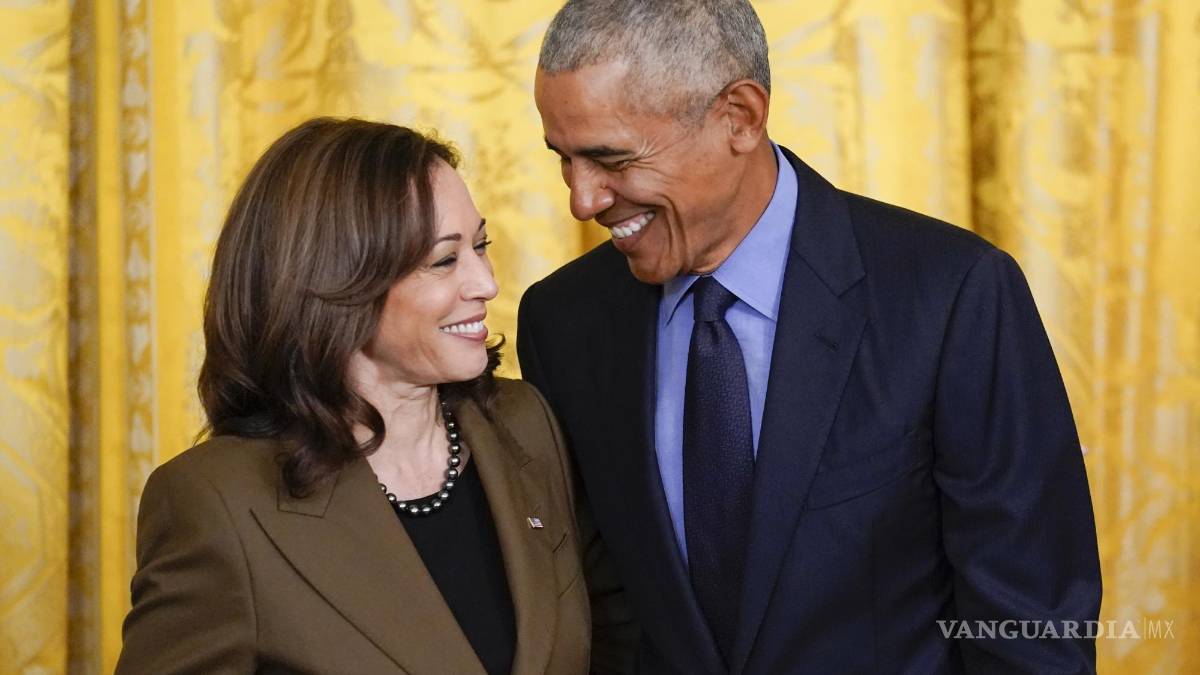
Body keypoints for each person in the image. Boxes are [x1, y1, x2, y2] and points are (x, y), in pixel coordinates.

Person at [517, 1, 1102, 673]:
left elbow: (1031, 623)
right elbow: (599, 612)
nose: (582, 200)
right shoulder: (563, 322)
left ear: (740, 116)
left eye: (612, 159)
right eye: (565, 160)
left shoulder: (950, 296)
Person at [116, 118, 589, 675]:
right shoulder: (216, 502)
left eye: (480, 246)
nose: (486, 283)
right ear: (338, 283)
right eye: (444, 260)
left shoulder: (525, 422)